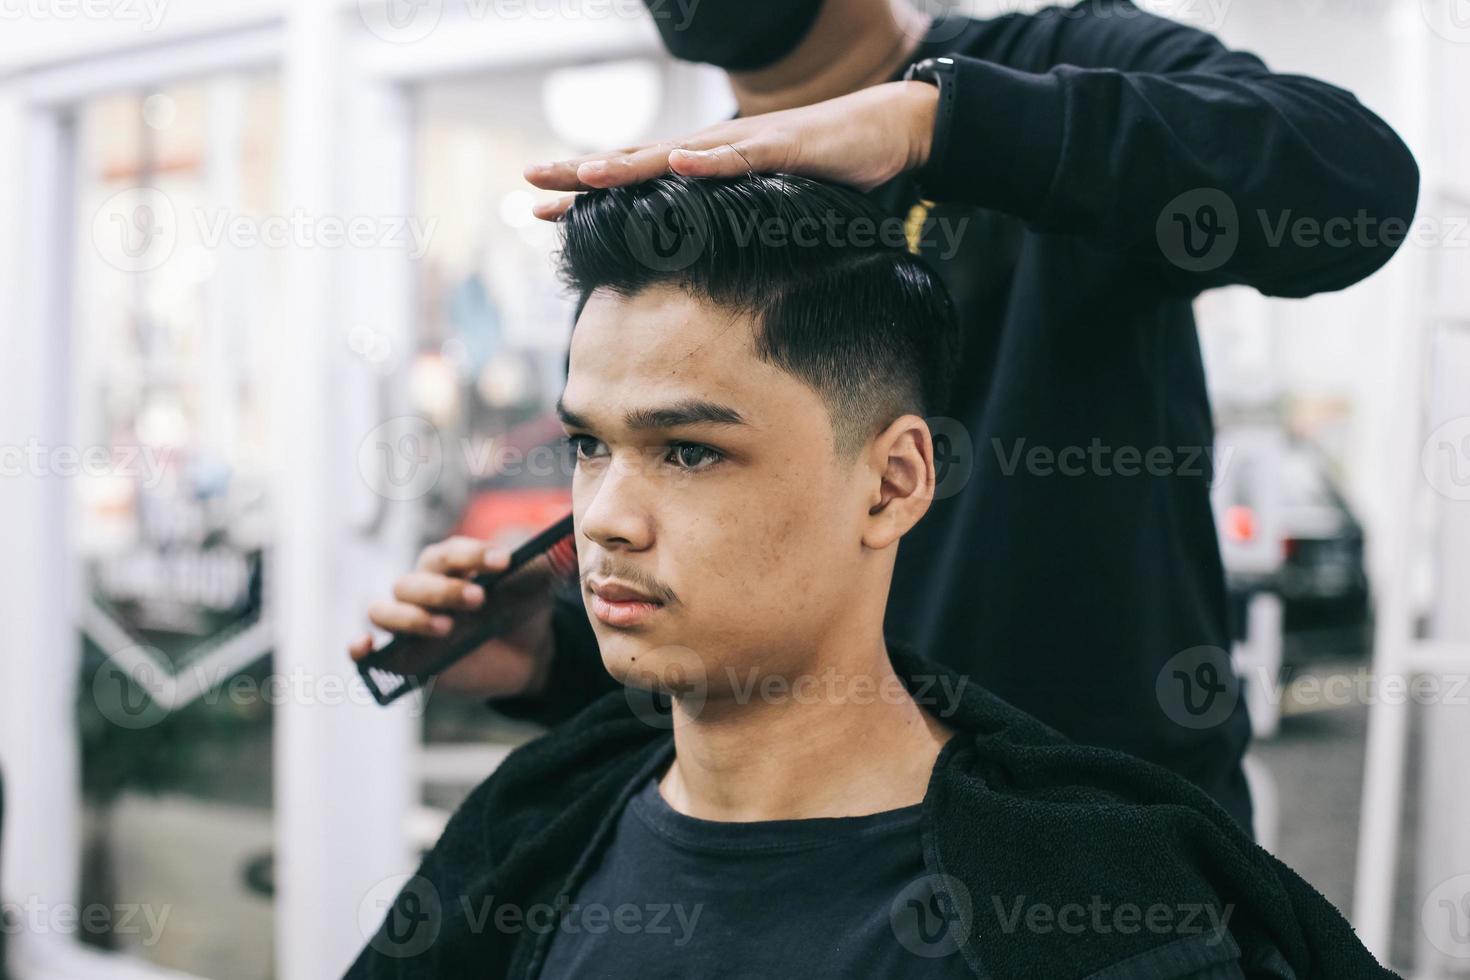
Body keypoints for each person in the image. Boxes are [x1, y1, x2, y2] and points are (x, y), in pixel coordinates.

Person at [349, 0, 1421, 834]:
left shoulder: (1051, 66)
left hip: (1093, 842)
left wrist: (946, 124)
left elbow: (1357, 186)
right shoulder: (708, 203)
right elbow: (773, 587)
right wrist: (559, 654)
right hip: (821, 844)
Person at [344, 174, 1396, 980]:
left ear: (894, 483)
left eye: (690, 450)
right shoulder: (533, 833)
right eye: (589, 445)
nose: (605, 516)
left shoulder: (1094, 915)